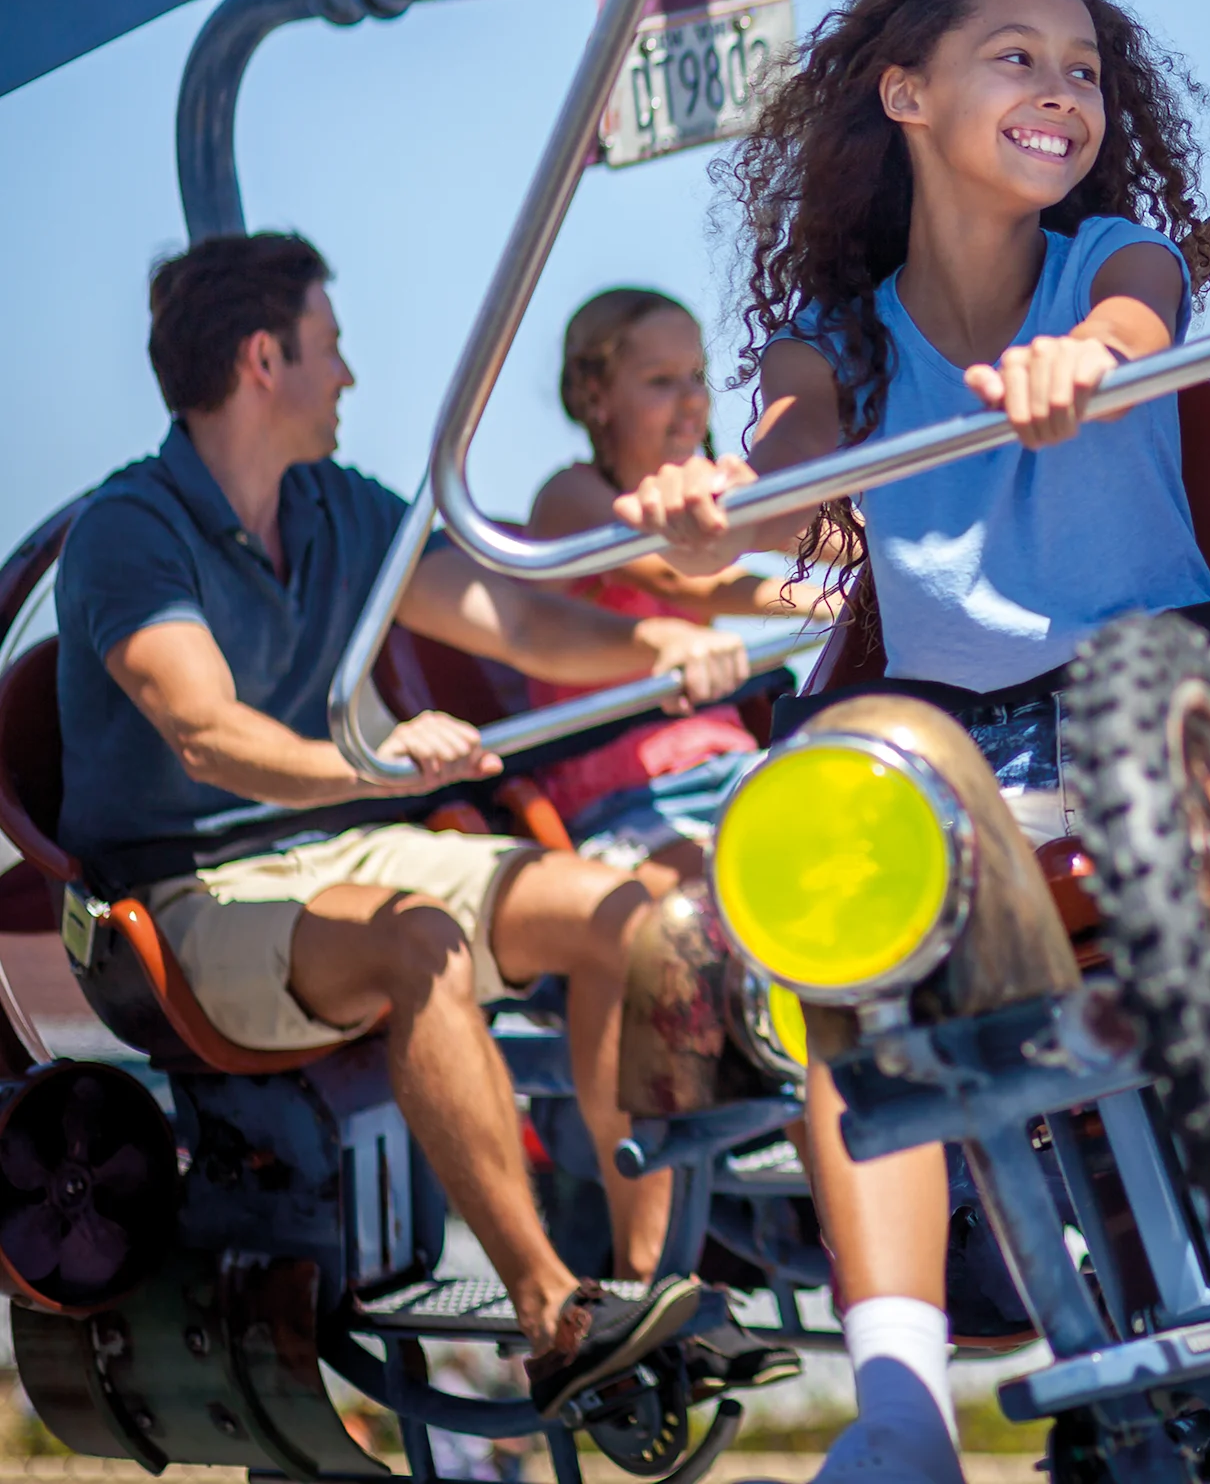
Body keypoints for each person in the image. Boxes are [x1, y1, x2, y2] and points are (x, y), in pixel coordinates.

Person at [614, 0, 1210, 1483]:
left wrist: (1084, 362)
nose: (1063, 92)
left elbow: (1134, 327)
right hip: (959, 754)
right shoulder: (834, 342)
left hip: (1149, 706)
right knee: (844, 900)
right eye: (1018, 59)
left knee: (1170, 825)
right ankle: (902, 1396)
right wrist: (719, 512)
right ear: (905, 95)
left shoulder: (1114, 259)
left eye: (1085, 69)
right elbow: (789, 471)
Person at [53, 233, 750, 1414]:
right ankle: (551, 1317)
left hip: (346, 852)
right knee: (419, 938)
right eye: (331, 349)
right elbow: (206, 733)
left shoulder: (334, 505)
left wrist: (658, 644)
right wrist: (370, 760)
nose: (350, 377)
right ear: (264, 358)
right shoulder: (133, 530)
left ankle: (640, 1302)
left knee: (636, 914)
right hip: (191, 895)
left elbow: (519, 626)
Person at [525, 288, 829, 890]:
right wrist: (834, 604)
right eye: (661, 381)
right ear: (596, 397)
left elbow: (795, 529)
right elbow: (683, 577)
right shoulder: (571, 496)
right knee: (738, 889)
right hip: (623, 795)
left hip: (728, 764)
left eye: (696, 375)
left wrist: (882, 551)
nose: (691, 400)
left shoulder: (703, 491)